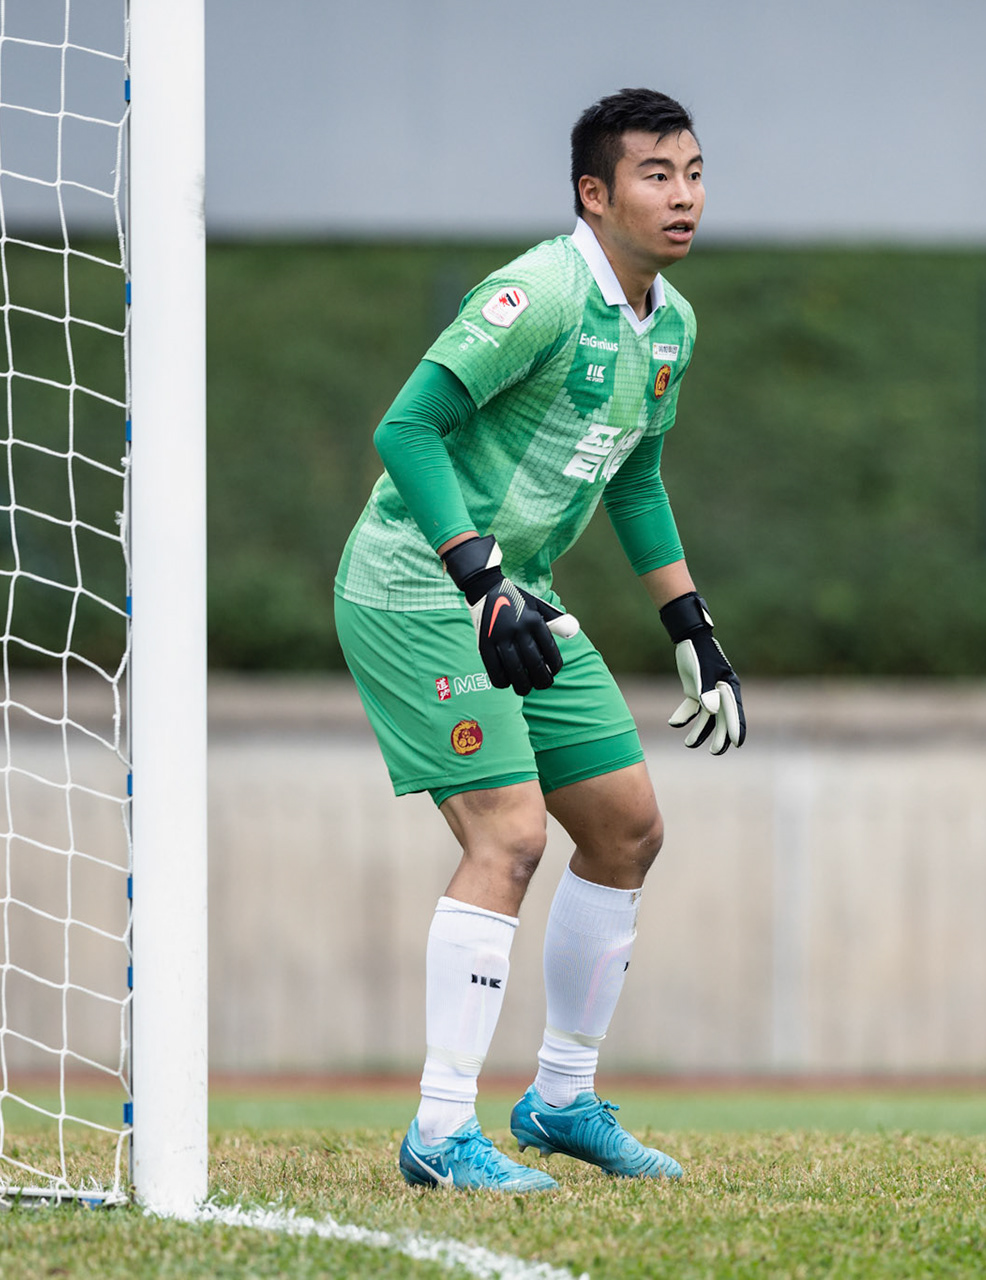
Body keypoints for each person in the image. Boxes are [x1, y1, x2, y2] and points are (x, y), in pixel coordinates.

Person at [333, 87, 745, 1192]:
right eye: (657, 174)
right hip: (418, 587)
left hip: (518, 593)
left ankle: (561, 1098)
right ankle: (438, 1130)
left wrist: (689, 622)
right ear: (594, 193)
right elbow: (405, 427)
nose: (684, 195)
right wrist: (477, 581)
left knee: (626, 826)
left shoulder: (674, 324)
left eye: (696, 172)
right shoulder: (543, 293)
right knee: (510, 836)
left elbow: (638, 476)